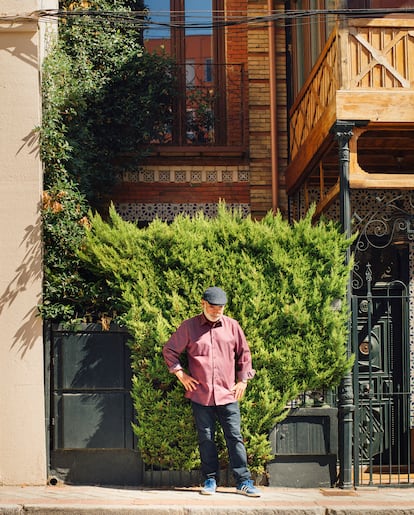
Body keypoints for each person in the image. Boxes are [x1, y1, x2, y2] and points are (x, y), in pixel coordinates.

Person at [162, 286, 261, 497]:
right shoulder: (189, 327)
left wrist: (243, 380)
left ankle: (244, 481)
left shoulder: (233, 326)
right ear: (203, 304)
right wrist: (181, 374)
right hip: (200, 394)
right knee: (206, 438)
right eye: (213, 307)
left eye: (221, 307)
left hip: (228, 394)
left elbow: (244, 353)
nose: (217, 311)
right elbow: (169, 350)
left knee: (234, 436)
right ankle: (210, 480)